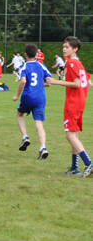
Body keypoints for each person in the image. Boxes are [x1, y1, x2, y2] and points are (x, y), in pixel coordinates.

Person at [46, 37, 92, 176]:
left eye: (67, 47)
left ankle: (89, 163)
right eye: (63, 46)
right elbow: (88, 84)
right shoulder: (78, 63)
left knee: (69, 135)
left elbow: (77, 84)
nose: (64, 49)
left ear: (75, 49)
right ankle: (74, 167)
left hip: (73, 103)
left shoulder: (72, 63)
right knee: (74, 134)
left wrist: (55, 82)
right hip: (80, 102)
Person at [12, 44, 51, 159]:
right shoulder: (42, 66)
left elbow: (23, 81)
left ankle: (25, 137)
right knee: (39, 123)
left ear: (25, 54)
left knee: (20, 115)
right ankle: (43, 147)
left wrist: (17, 95)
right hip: (40, 97)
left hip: (28, 96)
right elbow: (48, 82)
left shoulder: (24, 66)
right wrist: (41, 83)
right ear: (36, 54)